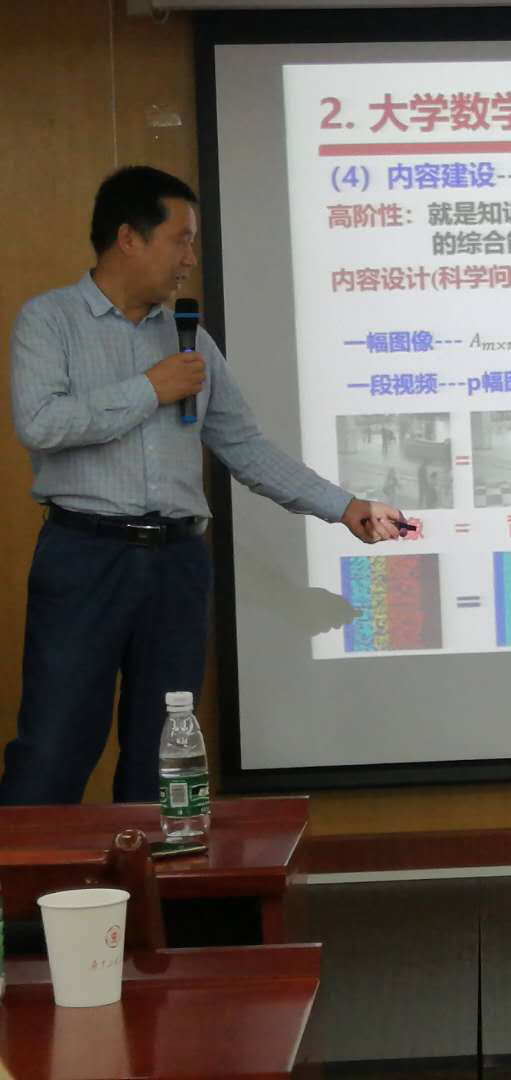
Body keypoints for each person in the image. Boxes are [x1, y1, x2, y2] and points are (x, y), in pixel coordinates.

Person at [0, 165, 407, 806]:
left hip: (179, 562)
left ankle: (159, 871)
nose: (191, 258)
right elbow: (42, 423)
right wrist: (149, 389)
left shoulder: (190, 339)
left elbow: (245, 445)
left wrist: (344, 505)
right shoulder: (50, 321)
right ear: (129, 238)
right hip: (85, 556)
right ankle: (30, 876)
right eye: (181, 239)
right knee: (55, 743)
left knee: (166, 748)